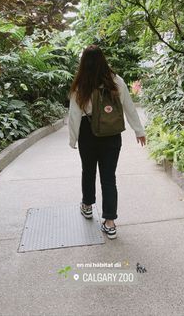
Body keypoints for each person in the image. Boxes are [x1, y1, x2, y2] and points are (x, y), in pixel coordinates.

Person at [68, 45, 146, 239]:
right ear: (103, 60)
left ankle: (87, 205)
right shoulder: (116, 81)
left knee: (88, 170)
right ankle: (110, 222)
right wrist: (139, 131)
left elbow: (74, 114)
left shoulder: (81, 84)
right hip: (112, 134)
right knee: (109, 177)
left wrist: (73, 138)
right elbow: (129, 106)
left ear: (83, 63)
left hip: (88, 133)